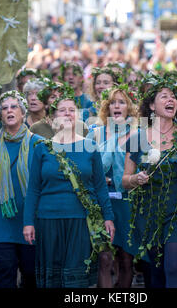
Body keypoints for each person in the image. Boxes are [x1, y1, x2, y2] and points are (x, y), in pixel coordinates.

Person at [23, 94, 115, 288]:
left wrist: (108, 217)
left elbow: (100, 186)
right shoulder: (42, 149)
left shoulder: (89, 146)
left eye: (71, 110)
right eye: (62, 110)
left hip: (81, 220)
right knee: (53, 280)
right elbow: (33, 189)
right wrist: (28, 222)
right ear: (52, 118)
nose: (67, 114)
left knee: (77, 281)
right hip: (48, 220)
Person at [122, 77, 177, 288]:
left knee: (173, 267)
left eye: (173, 96)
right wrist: (136, 179)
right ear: (152, 106)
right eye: (164, 96)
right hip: (149, 212)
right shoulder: (138, 137)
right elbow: (125, 180)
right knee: (156, 271)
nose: (171, 99)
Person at [0, 90, 42, 288]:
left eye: (14, 107)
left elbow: (44, 182)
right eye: (4, 108)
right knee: (4, 272)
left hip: (29, 218)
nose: (9, 111)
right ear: (0, 115)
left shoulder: (37, 143)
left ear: (23, 113)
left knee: (31, 273)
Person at [88, 86, 139, 288]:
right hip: (103, 201)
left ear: (129, 108)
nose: (117, 106)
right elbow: (90, 168)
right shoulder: (95, 133)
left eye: (122, 102)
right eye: (113, 102)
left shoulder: (137, 134)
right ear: (107, 108)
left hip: (127, 201)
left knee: (126, 259)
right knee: (105, 259)